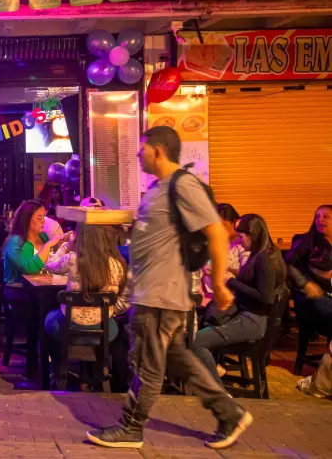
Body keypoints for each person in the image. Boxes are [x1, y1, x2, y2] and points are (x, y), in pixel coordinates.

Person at [87, 126, 251, 450]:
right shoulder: (157, 188)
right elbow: (152, 236)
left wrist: (219, 282)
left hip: (160, 294)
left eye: (143, 149)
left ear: (158, 151)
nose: (138, 154)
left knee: (146, 364)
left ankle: (132, 427)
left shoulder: (182, 184)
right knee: (177, 360)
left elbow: (217, 232)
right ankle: (229, 413)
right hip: (154, 292)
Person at [192, 214, 286, 384]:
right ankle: (211, 370)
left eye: (241, 236)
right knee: (204, 321)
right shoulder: (263, 254)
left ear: (253, 234)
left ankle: (216, 390)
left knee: (196, 341)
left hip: (252, 321)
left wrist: (230, 281)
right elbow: (251, 280)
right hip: (250, 316)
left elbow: (266, 298)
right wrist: (227, 273)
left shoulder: (264, 259)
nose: (239, 241)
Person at [44, 223, 127, 343]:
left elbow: (49, 266)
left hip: (69, 327)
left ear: (80, 236)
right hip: (106, 330)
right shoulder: (116, 264)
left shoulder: (71, 259)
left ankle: (58, 354)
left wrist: (67, 246)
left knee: (49, 319)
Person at [286, 205, 332, 338]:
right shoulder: (305, 241)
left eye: (326, 217)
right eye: (317, 217)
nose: (320, 220)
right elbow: (287, 265)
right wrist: (305, 284)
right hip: (313, 295)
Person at [3, 199, 66, 286]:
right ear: (26, 219)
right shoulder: (15, 241)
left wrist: (64, 245)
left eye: (44, 217)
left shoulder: (42, 236)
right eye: (39, 218)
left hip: (43, 288)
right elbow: (30, 270)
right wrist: (47, 246)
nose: (43, 221)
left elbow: (52, 263)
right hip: (20, 291)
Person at [197, 204, 248, 308]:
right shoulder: (215, 243)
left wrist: (224, 269)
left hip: (231, 298)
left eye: (224, 225)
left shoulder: (242, 245)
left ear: (235, 222)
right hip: (208, 296)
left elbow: (247, 274)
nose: (221, 230)